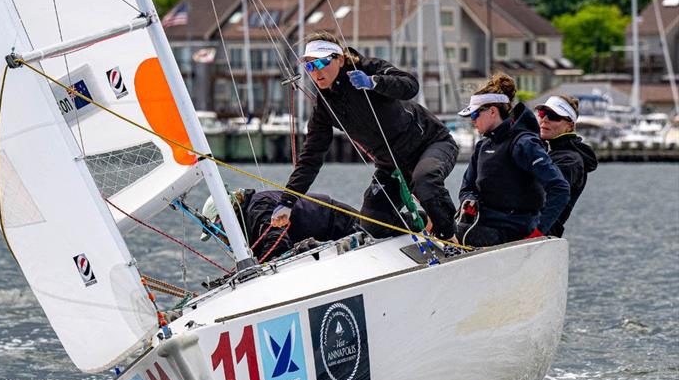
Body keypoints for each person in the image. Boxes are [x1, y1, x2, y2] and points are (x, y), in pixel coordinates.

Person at [271, 31, 459, 241]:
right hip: (391, 166)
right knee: (372, 223)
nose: (316, 72)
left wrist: (374, 82)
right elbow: (310, 159)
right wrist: (287, 201)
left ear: (340, 59)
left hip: (431, 144)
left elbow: (410, 86)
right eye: (309, 66)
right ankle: (425, 223)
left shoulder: (367, 68)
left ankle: (451, 238)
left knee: (425, 182)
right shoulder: (323, 109)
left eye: (321, 63)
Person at [456, 73, 570, 247]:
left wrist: (539, 232)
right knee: (424, 220)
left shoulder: (524, 144)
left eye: (474, 116)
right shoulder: (482, 146)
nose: (472, 121)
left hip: (512, 232)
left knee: (440, 228)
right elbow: (467, 188)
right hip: (482, 224)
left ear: (492, 112)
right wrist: (470, 200)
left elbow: (560, 188)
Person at [200, 189, 358, 261]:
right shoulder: (249, 219)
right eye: (214, 234)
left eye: (218, 229)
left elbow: (277, 242)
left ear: (229, 215)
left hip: (343, 226)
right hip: (331, 234)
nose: (219, 237)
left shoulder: (258, 207)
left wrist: (256, 271)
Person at [536, 95, 598, 237]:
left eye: (553, 116)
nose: (544, 120)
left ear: (570, 125)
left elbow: (544, 199)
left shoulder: (570, 161)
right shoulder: (546, 151)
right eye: (542, 113)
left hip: (540, 234)